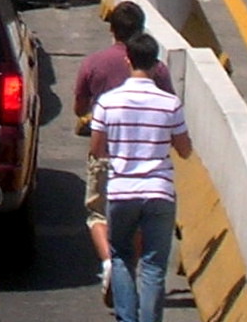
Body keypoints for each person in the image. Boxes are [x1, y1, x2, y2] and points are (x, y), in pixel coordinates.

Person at [91, 31, 190, 322]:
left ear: (127, 60)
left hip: (122, 192)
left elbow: (96, 149)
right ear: (156, 63)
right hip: (159, 192)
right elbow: (184, 150)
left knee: (121, 256)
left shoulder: (108, 102)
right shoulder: (169, 104)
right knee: (154, 266)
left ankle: (126, 317)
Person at [75, 2, 172, 290]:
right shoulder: (157, 69)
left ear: (111, 30)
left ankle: (109, 264)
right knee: (142, 219)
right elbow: (168, 106)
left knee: (98, 215)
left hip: (105, 152)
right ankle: (127, 267)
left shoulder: (93, 64)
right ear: (141, 30)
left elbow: (79, 106)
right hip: (146, 157)